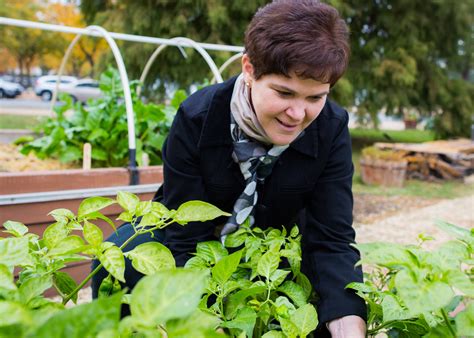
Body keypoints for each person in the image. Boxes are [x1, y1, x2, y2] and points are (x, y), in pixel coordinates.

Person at [92, 0, 367, 336]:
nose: (298, 114)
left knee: (325, 302)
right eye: (284, 92)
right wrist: (205, 324)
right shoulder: (198, 118)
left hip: (273, 246)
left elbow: (332, 238)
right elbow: (184, 238)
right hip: (197, 241)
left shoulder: (331, 128)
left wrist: (349, 324)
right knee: (124, 256)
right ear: (249, 69)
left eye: (315, 98)